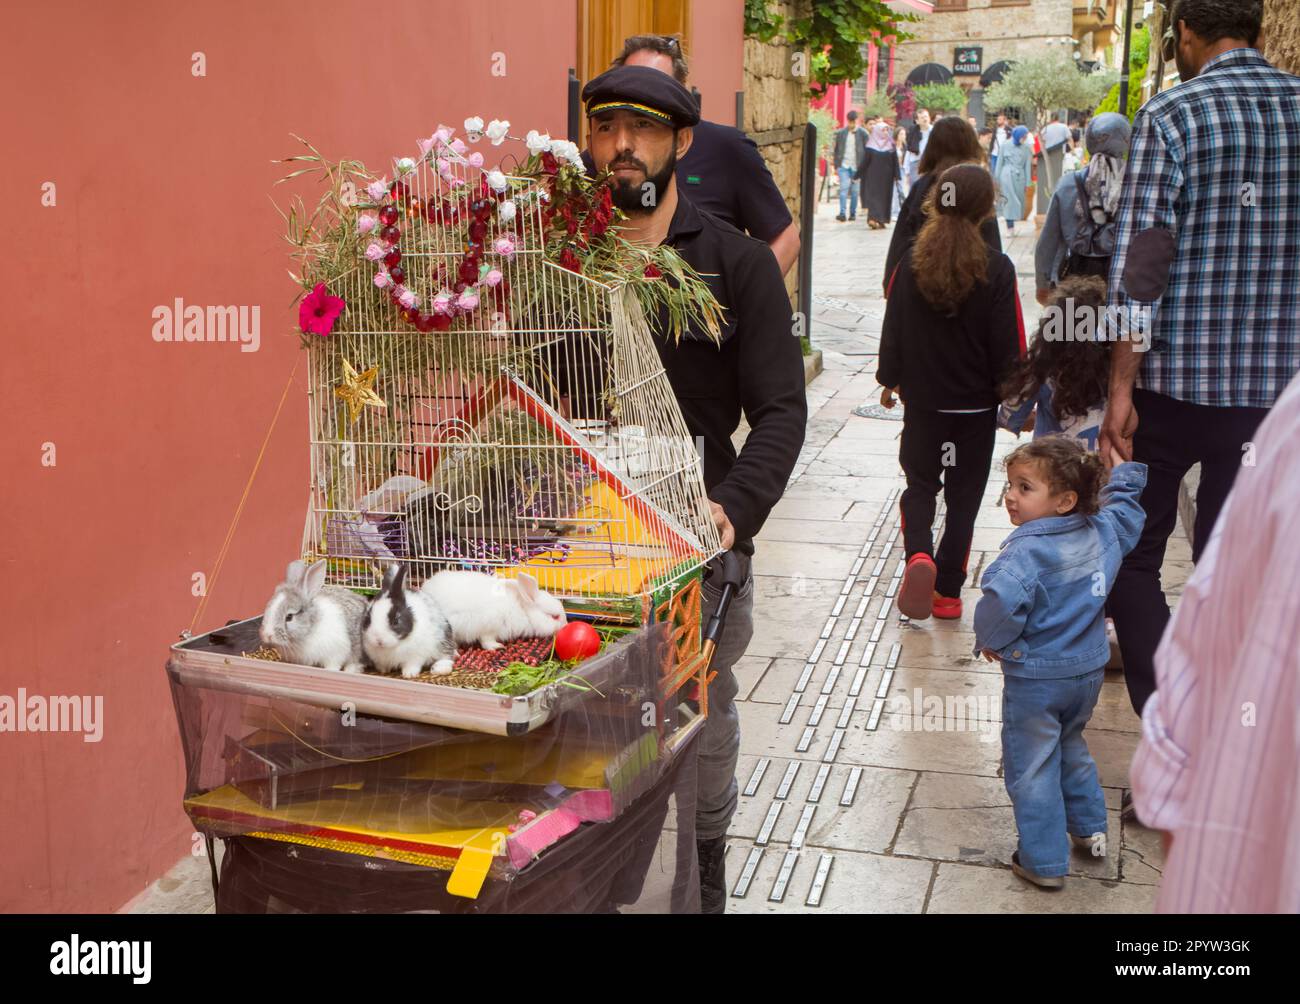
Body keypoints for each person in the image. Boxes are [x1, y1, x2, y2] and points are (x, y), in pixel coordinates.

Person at [581, 64, 807, 913]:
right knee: (589, 719)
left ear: (679, 143)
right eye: (605, 128)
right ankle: (598, 866)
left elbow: (783, 414)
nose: (621, 147)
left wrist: (731, 510)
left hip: (696, 549)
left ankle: (705, 856)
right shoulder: (567, 264)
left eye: (640, 130)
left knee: (700, 714)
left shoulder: (737, 265)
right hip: (585, 541)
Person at [1099, 0, 1300, 719]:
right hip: (1276, 404)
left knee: (1128, 554)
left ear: (1184, 34)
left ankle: (1170, 727)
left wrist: (1120, 388)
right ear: (1254, 29)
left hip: (1175, 389)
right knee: (1233, 571)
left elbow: (1142, 267)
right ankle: (1226, 736)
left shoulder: (1174, 114)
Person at [1129, 368, 1300, 912]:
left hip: (1164, 394)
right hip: (1257, 399)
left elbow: (1134, 299)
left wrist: (1117, 395)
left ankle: (1172, 729)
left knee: (1139, 562)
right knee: (1221, 560)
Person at [974, 439, 1148, 888]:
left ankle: (1043, 861)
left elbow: (1001, 605)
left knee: (1031, 765)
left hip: (1037, 680)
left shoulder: (1024, 554)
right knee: (1070, 746)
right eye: (1010, 485)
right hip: (1085, 675)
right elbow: (1127, 516)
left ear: (1065, 500)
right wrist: (1124, 476)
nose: (1011, 495)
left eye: (1025, 487)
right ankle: (1090, 832)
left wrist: (991, 640)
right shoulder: (1102, 532)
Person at [877, 165, 1026, 621]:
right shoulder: (998, 269)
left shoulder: (910, 264)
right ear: (985, 207)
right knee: (964, 497)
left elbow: (894, 327)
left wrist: (889, 379)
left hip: (922, 402)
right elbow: (1010, 343)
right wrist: (1014, 394)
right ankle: (946, 593)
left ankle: (918, 555)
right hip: (975, 408)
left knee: (920, 485)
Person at [604, 34, 802, 276]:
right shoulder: (605, 159)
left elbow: (786, 239)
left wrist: (747, 298)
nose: (646, 96)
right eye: (632, 86)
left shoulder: (727, 148)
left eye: (658, 87)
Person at [883, 116, 1002, 294]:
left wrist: (891, 281)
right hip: (975, 282)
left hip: (921, 282)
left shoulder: (923, 186)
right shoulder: (977, 185)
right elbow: (990, 234)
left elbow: (903, 236)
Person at [1000, 276, 1110, 450]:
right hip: (1101, 463)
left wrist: (1033, 418)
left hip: (1052, 462)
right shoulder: (1114, 367)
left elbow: (1010, 417)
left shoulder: (1042, 366)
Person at [1035, 113, 1132, 304]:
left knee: (1071, 332)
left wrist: (1043, 283)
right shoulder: (1139, 186)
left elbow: (1048, 242)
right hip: (1122, 286)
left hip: (1075, 286)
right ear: (1126, 141)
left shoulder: (1068, 184)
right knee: (1116, 334)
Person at [860, 120, 901, 229]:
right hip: (873, 176)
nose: (885, 132)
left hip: (887, 177)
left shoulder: (891, 144)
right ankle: (872, 219)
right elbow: (865, 161)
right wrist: (857, 174)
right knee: (873, 197)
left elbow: (895, 161)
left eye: (887, 130)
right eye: (883, 130)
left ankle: (882, 219)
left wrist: (898, 176)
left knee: (885, 198)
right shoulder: (871, 145)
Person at [994, 125, 1031, 233]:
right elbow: (999, 163)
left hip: (1020, 176)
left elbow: (1027, 166)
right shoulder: (1005, 145)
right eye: (1023, 136)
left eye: (1025, 137)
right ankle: (1009, 226)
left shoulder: (1026, 148)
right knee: (1008, 200)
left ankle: (1012, 222)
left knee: (1019, 200)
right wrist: (996, 180)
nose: (1024, 139)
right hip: (1006, 176)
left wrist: (1028, 183)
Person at [832, 110, 868, 222]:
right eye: (850, 121)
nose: (852, 124)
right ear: (847, 121)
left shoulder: (863, 133)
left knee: (855, 192)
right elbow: (837, 149)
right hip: (844, 165)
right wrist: (836, 164)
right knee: (843, 189)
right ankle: (842, 213)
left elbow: (868, 150)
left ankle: (852, 213)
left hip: (857, 167)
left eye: (854, 121)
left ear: (857, 121)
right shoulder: (841, 133)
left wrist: (864, 167)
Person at [1038, 113, 1072, 207]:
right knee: (1060, 175)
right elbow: (1070, 139)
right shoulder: (1064, 127)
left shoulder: (1045, 129)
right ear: (1058, 118)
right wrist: (1073, 152)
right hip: (1060, 154)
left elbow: (1041, 141)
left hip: (1047, 156)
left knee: (1048, 177)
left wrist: (1042, 151)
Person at [904, 107, 932, 188]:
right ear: (917, 121)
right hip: (916, 163)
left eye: (926, 116)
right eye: (922, 117)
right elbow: (909, 151)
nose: (925, 119)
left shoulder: (935, 131)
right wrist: (906, 170)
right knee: (915, 188)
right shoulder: (913, 132)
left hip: (930, 163)